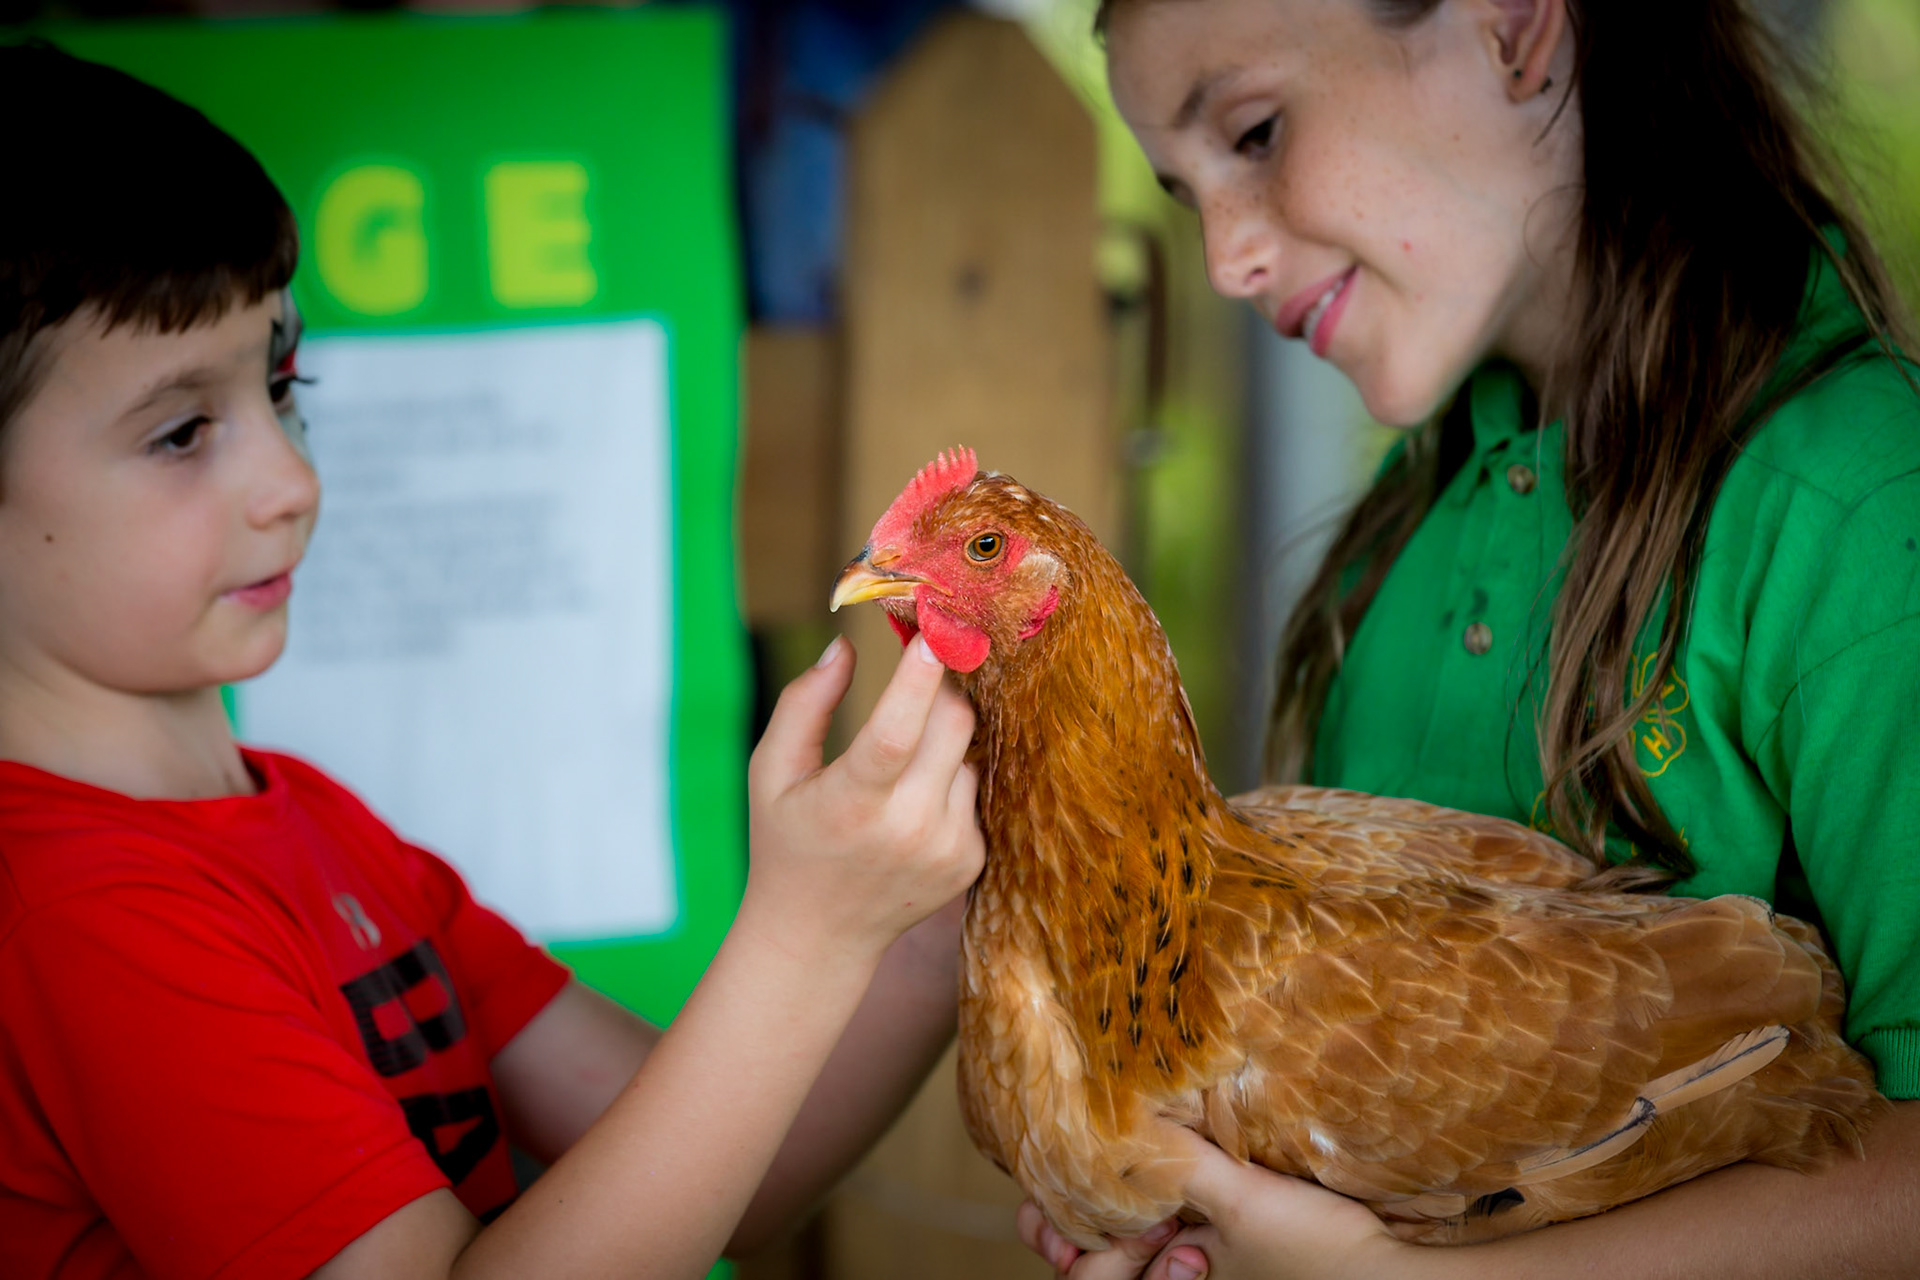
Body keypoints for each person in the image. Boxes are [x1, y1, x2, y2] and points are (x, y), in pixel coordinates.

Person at [0, 42, 984, 1280]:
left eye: (281, 383)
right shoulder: (81, 919)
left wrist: (927, 922)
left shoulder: (316, 823)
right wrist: (803, 930)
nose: (292, 480)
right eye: (183, 430)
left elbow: (722, 1176)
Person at [1017, 0, 1920, 1275]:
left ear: (1510, 23)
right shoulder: (1396, 548)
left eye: (1258, 132)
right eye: (1183, 192)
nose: (1223, 258)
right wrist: (1205, 1197)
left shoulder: (1862, 512)